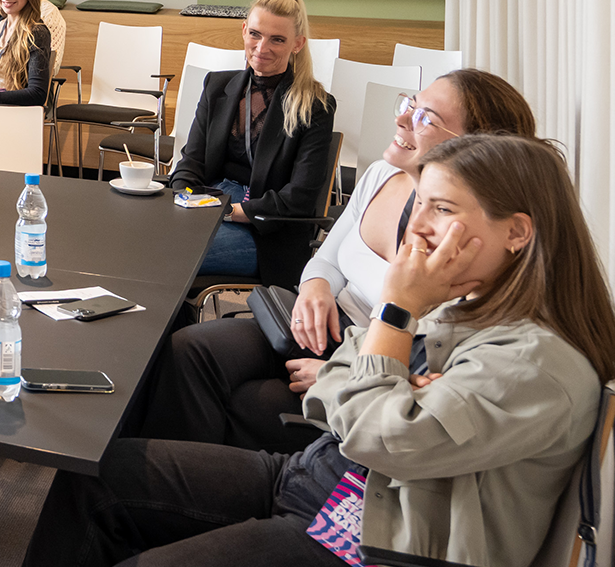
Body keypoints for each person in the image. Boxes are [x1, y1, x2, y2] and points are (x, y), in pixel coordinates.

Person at [2, 132, 615, 567]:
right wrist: (387, 376)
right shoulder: (464, 305)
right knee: (95, 478)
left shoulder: (538, 363)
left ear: (517, 233)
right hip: (319, 480)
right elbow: (337, 375)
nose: (417, 225)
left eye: (442, 208)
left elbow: (377, 435)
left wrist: (393, 324)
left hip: (387, 558)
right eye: (419, 203)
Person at [142, 69, 537, 451]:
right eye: (409, 105)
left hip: (376, 358)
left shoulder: (473, 239)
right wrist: (316, 288)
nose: (401, 118)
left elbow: (433, 348)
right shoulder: (382, 175)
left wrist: (343, 372)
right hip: (325, 328)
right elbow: (326, 259)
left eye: (424, 118)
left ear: (478, 147)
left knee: (248, 402)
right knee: (190, 350)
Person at [167, 0, 336, 285]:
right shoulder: (217, 85)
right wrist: (186, 198)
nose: (261, 47)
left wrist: (229, 212)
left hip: (266, 231)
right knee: (143, 239)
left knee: (172, 253)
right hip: (209, 204)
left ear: (298, 44)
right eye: (255, 34)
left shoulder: (316, 105)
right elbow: (190, 161)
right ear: (244, 30)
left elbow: (299, 198)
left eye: (277, 39)